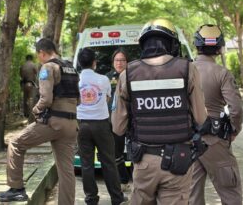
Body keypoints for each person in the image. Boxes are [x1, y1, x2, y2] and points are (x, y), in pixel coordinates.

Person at [111, 18, 207, 205]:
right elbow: (201, 118)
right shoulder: (188, 69)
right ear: (171, 43)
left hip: (144, 161)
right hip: (178, 162)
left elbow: (118, 128)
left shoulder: (127, 74)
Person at [0, 38, 80, 204]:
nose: (39, 59)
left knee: (15, 143)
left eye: (39, 56)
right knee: (66, 171)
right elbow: (79, 100)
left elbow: (46, 99)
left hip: (54, 122)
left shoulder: (48, 67)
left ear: (42, 53)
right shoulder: (71, 68)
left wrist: (35, 111)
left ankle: (17, 189)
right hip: (72, 125)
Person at [189, 24, 243, 205]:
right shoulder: (222, 73)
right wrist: (234, 130)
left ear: (197, 45)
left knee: (192, 196)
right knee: (230, 192)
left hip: (188, 141)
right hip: (215, 141)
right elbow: (235, 108)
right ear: (219, 48)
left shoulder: (183, 71)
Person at [77, 48, 126, 205]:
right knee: (108, 162)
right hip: (102, 125)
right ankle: (116, 198)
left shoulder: (75, 81)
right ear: (94, 63)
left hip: (82, 125)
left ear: (79, 63)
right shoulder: (104, 80)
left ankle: (91, 198)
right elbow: (106, 99)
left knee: (86, 163)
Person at [106, 48, 130, 192]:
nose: (119, 63)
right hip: (115, 121)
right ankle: (123, 179)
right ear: (113, 62)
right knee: (116, 153)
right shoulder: (107, 78)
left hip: (133, 121)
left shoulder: (133, 76)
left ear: (127, 62)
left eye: (122, 60)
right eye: (117, 60)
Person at [20, 54, 38, 122]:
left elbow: (21, 75)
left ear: (26, 59)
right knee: (32, 99)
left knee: (25, 99)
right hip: (32, 84)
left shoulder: (23, 65)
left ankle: (26, 114)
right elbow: (37, 73)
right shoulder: (34, 65)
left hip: (24, 84)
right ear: (31, 58)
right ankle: (32, 115)